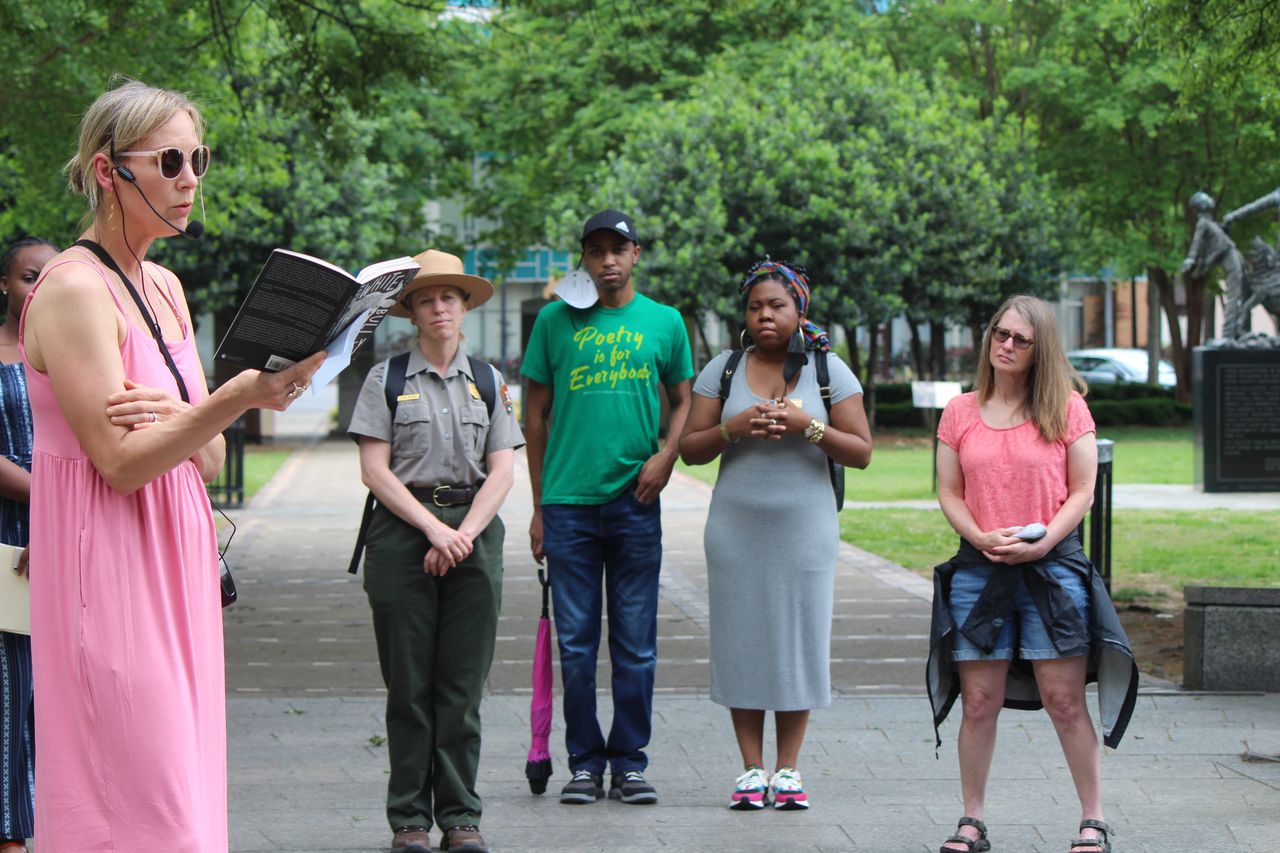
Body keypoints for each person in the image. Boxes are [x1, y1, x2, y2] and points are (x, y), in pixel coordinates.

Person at [21, 79, 323, 852]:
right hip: (110, 571)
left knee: (182, 800)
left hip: (177, 565)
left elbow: (210, 452)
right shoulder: (75, 291)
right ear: (106, 171)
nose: (191, 178)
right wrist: (234, 395)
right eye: (170, 160)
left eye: (200, 158)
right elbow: (121, 464)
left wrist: (198, 414)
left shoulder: (164, 285)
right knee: (135, 805)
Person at [927, 295, 1137, 853]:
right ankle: (971, 821)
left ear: (1041, 348)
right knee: (978, 702)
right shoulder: (960, 411)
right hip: (980, 567)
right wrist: (978, 536)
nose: (1007, 345)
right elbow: (949, 490)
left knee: (1064, 699)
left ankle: (1093, 820)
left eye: (1021, 339)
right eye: (1001, 333)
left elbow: (1083, 491)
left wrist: (1044, 537)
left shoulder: (1067, 408)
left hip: (1053, 569)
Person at [678, 259, 872, 811]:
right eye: (755, 306)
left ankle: (788, 769)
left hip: (805, 527)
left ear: (799, 310)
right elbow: (691, 450)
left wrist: (805, 425)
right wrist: (732, 428)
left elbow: (860, 452)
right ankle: (749, 768)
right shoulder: (723, 368)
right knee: (741, 638)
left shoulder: (829, 371)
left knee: (797, 639)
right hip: (736, 526)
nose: (765, 315)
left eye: (777, 305)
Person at [349, 250, 523, 853]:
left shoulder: (490, 380)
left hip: (474, 530)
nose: (439, 306)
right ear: (412, 313)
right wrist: (434, 531)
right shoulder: (387, 379)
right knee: (410, 684)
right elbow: (376, 471)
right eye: (427, 298)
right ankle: (409, 822)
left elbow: (502, 471)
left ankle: (460, 817)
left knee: (461, 686)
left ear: (465, 305)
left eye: (449, 296)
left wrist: (464, 535)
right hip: (403, 533)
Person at [522, 209, 693, 805]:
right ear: (585, 260)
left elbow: (684, 399)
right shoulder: (553, 321)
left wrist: (667, 455)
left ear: (636, 254)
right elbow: (534, 416)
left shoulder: (665, 323)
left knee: (636, 642)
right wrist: (540, 506)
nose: (608, 261)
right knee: (575, 642)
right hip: (568, 504)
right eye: (595, 251)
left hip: (635, 501)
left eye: (617, 249)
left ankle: (630, 760)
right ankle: (585, 762)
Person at [0, 238, 57, 853]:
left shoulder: (63, 353)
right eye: (25, 276)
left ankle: (62, 821)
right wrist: (51, 501)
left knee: (65, 681)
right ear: (5, 285)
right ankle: (11, 832)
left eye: (47, 277)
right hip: (8, 538)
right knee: (12, 684)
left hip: (69, 531)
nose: (37, 288)